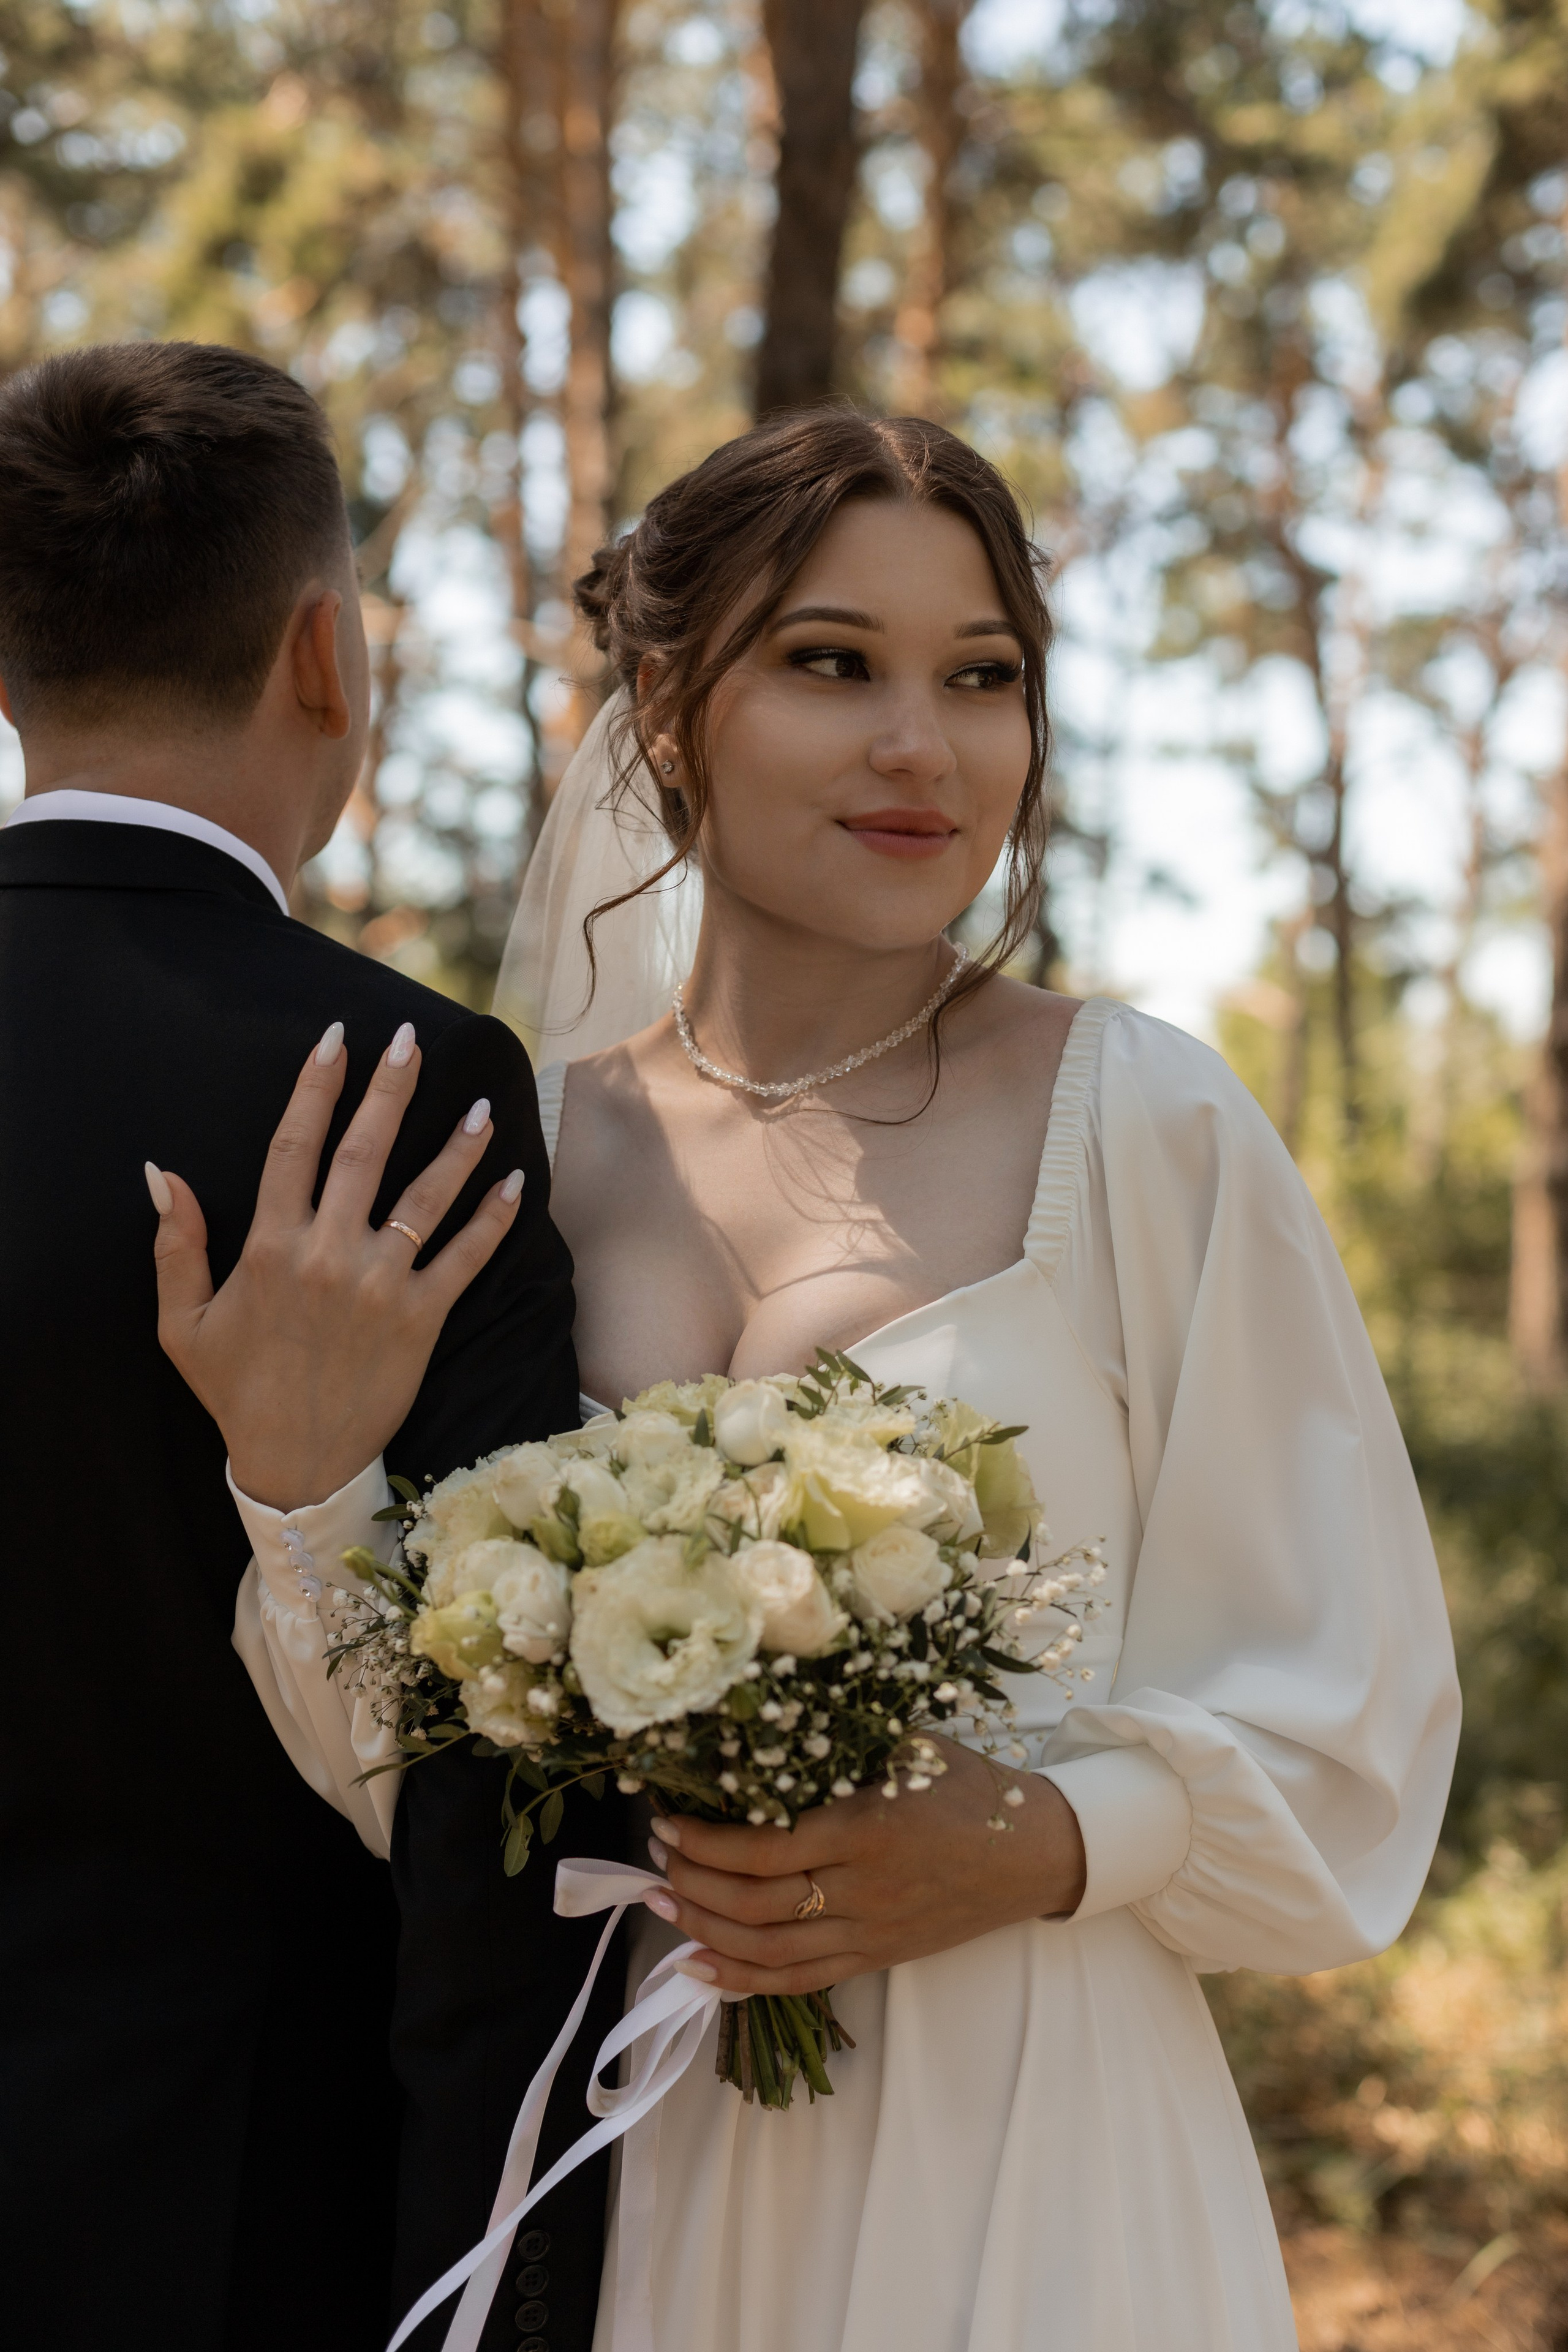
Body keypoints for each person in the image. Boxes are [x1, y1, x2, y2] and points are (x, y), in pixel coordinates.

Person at [160, 410, 1461, 2351]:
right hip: (632, 2150)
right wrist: (301, 1483)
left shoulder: (1149, 1122)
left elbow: (1357, 1720)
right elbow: (409, 1799)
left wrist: (1035, 1837)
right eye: (832, 664)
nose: (922, 748)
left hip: (1030, 2137)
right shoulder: (511, 1155)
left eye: (983, 678)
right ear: (673, 706)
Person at [0, 341, 624, 2352]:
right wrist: (491, 2280)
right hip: (232, 2204)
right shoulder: (392, 1088)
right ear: (327, 654)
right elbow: (490, 1798)